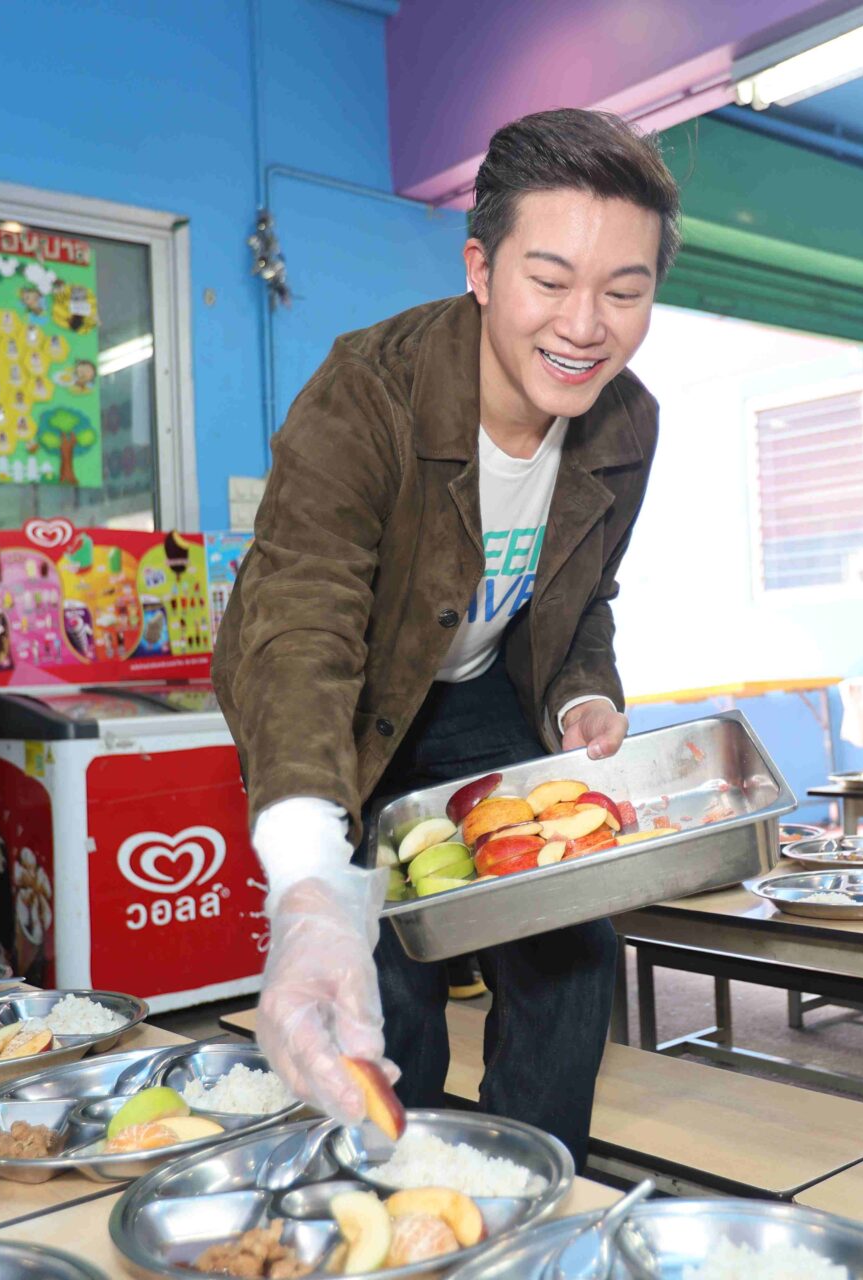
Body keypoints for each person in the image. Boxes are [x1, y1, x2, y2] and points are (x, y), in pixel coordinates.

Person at [212, 108, 678, 1169]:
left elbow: (584, 596)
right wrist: (309, 885)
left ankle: (527, 1186)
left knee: (573, 957)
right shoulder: (369, 388)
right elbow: (301, 615)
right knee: (386, 982)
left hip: (481, 701)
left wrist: (581, 694)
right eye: (549, 280)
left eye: (624, 290)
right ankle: (387, 1195)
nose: (584, 325)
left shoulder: (627, 421)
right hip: (349, 700)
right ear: (481, 268)